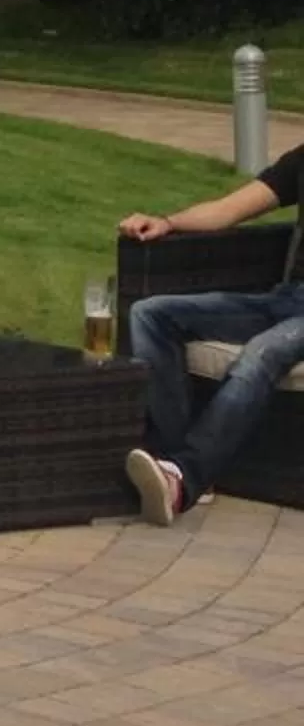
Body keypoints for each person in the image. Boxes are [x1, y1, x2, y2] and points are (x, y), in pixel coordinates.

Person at [120, 146, 304, 524]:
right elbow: (227, 210)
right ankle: (177, 468)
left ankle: (183, 479)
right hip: (289, 299)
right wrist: (167, 223)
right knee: (152, 314)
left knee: (262, 352)